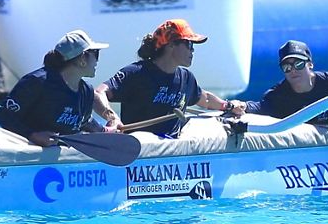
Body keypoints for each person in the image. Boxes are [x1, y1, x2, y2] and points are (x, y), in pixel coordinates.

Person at [97, 19, 243, 137]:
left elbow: (204, 98)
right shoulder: (136, 73)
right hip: (140, 153)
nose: (192, 50)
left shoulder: (186, 78)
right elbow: (99, 92)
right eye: (189, 44)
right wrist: (112, 118)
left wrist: (229, 106)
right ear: (171, 45)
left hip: (170, 153)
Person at [0, 30, 110, 146]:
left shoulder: (87, 91)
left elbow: (84, 122)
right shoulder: (37, 82)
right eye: (96, 54)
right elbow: (3, 115)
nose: (97, 61)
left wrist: (104, 131)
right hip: (27, 155)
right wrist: (32, 135)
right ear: (82, 59)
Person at [243, 40, 328, 124]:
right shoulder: (277, 96)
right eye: (287, 67)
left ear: (310, 64)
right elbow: (258, 107)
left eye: (298, 64)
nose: (293, 70)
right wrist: (237, 106)